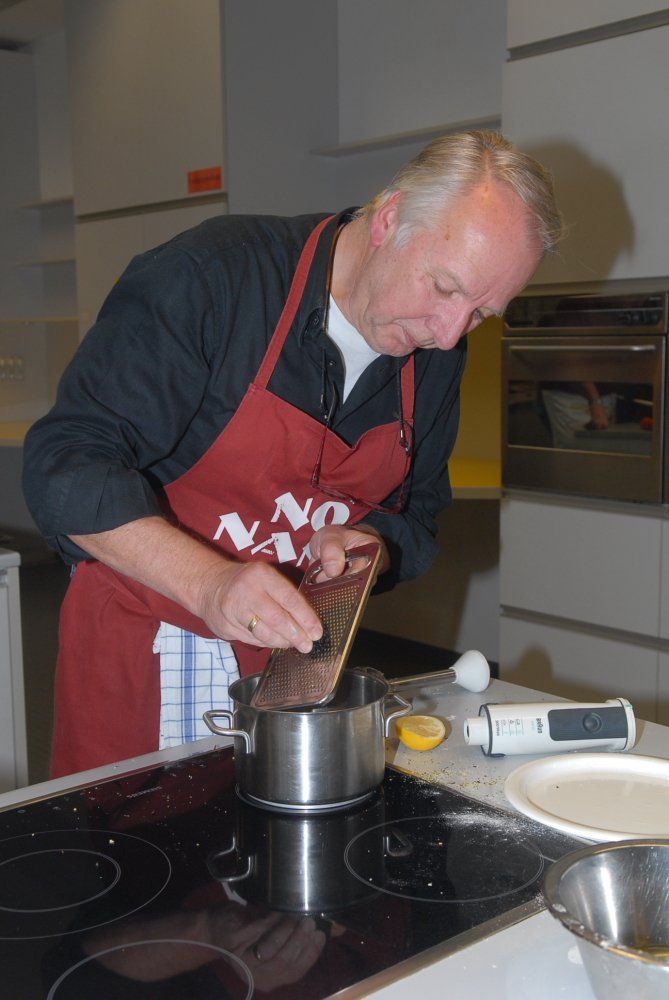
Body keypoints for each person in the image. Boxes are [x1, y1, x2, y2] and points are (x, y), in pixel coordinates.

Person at [22, 130, 563, 777]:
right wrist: (210, 582)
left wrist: (368, 542)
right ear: (389, 218)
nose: (448, 334)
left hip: (296, 665)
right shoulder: (214, 278)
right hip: (146, 646)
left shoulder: (436, 354)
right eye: (445, 287)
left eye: (480, 314)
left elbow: (417, 513)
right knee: (138, 836)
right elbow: (65, 464)